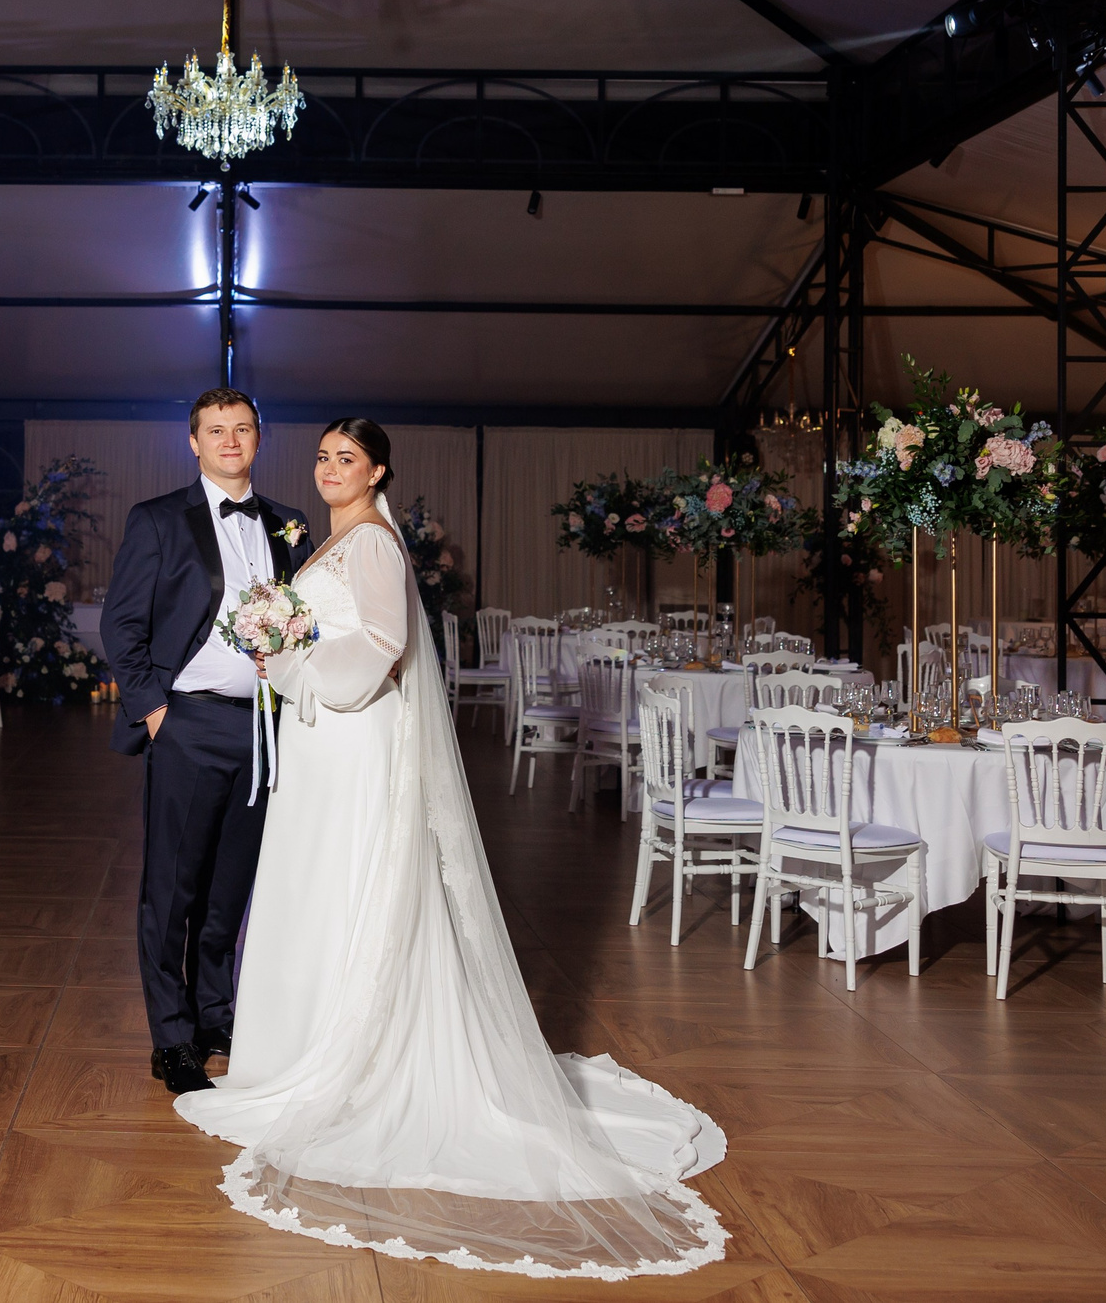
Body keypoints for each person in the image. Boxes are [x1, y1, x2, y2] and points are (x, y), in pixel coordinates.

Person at [173, 418, 729, 1280]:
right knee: (315, 886)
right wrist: (284, 647)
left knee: (344, 883)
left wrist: (295, 656)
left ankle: (345, 1061)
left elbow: (383, 646)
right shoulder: (337, 540)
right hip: (322, 738)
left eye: (347, 459)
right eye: (322, 456)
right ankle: (295, 1049)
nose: (329, 468)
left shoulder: (373, 543)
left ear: (378, 471)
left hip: (352, 735)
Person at [100, 388, 316, 1097]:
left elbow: (305, 621)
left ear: (259, 437)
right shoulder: (158, 519)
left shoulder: (288, 524)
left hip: (263, 726)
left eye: (242, 428)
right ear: (193, 442)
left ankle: (215, 1019)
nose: (230, 440)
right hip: (187, 723)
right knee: (173, 889)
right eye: (215, 430)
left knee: (230, 889)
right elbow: (121, 625)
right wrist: (156, 713)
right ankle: (172, 1039)